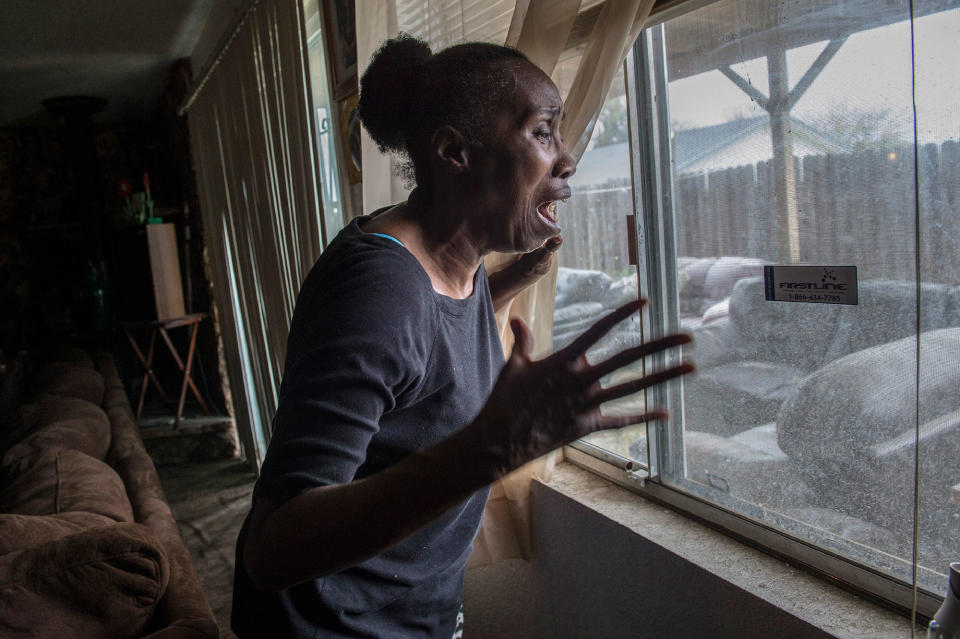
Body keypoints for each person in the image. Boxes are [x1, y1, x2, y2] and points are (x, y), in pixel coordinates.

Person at [232, 34, 693, 639]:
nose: (568, 159)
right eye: (542, 132)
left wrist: (501, 286)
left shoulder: (453, 259)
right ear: (455, 152)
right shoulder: (381, 289)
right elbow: (274, 551)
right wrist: (490, 450)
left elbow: (414, 359)